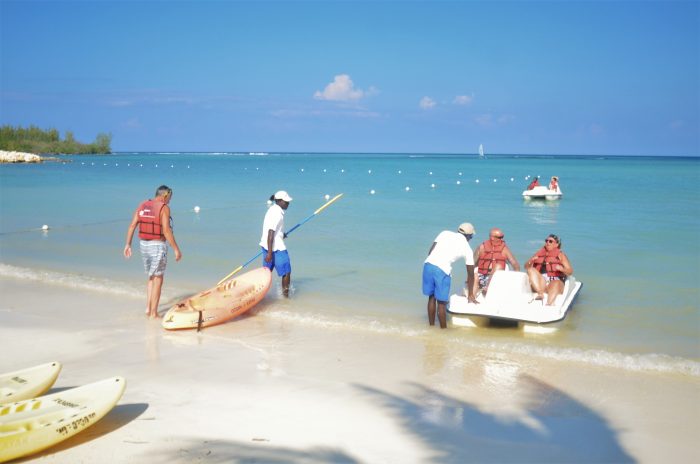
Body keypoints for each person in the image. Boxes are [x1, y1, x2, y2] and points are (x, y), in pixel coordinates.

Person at [124, 185, 182, 318]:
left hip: (143, 245)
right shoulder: (164, 208)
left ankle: (148, 308)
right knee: (158, 278)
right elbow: (166, 231)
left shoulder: (143, 205)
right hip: (157, 245)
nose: (169, 201)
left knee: (151, 277)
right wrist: (176, 249)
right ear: (164, 196)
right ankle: (154, 313)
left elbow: (133, 225)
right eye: (169, 198)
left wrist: (128, 244)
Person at [422, 223, 478, 329]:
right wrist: (471, 293)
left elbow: (430, 251)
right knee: (442, 303)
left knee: (431, 298)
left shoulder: (444, 233)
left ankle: (431, 328)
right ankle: (443, 332)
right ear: (469, 236)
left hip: (428, 265)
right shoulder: (467, 249)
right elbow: (470, 273)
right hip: (442, 270)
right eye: (471, 236)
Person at [260, 191, 293, 297]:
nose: (288, 203)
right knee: (286, 272)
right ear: (279, 201)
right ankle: (286, 298)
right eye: (286, 201)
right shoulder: (277, 213)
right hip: (276, 248)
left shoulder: (272, 209)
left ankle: (259, 295)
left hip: (266, 245)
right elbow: (271, 232)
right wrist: (270, 253)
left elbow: (273, 230)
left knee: (266, 273)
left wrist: (281, 234)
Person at [525, 234, 573, 306]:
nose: (547, 242)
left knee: (555, 282)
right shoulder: (539, 253)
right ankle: (540, 294)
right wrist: (531, 261)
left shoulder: (560, 255)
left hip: (555, 282)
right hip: (541, 283)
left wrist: (562, 269)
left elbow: (570, 271)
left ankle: (549, 303)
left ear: (556, 244)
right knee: (530, 270)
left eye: (550, 241)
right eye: (546, 241)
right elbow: (526, 266)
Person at [472, 227, 520, 297]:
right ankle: (471, 298)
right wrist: (469, 278)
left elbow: (515, 264)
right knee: (474, 275)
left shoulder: (504, 249)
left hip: (496, 280)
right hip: (482, 277)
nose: (501, 239)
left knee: (498, 266)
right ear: (492, 238)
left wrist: (516, 280)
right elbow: (472, 264)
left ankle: (488, 288)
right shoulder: (481, 247)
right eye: (499, 237)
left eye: (502, 237)